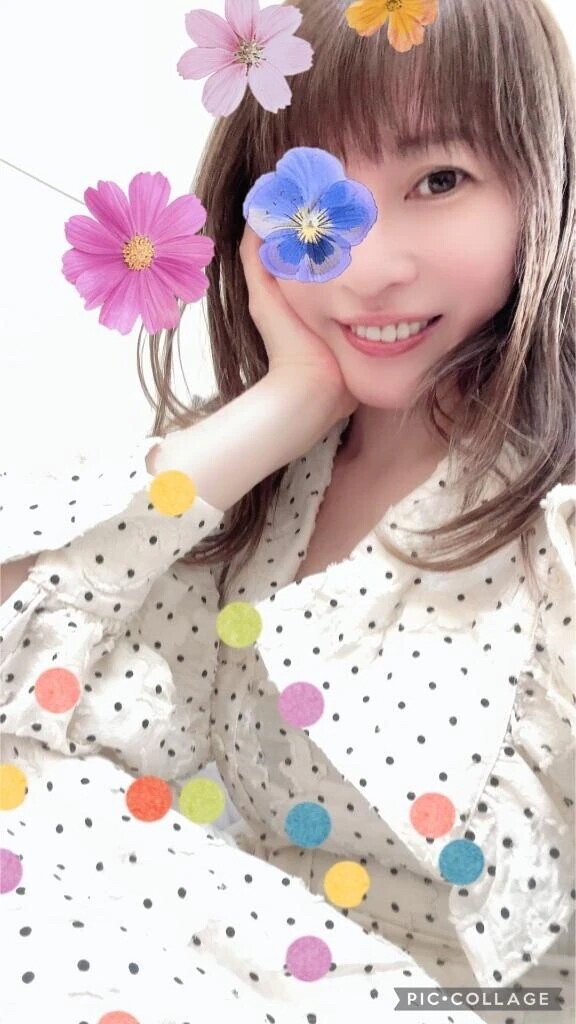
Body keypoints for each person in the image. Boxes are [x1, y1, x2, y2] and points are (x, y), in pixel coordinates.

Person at [1, 0, 574, 1021]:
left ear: (541, 183)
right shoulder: (267, 499)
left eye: (440, 180)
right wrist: (284, 407)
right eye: (312, 202)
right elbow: (29, 715)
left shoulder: (554, 530)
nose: (368, 266)